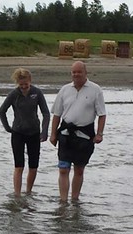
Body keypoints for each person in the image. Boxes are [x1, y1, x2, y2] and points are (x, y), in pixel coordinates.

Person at [49, 61, 106, 203]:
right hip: (65, 134)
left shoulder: (95, 90)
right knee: (63, 169)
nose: (76, 74)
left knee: (79, 170)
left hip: (84, 136)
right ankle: (63, 201)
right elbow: (56, 114)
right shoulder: (64, 90)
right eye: (73, 72)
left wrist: (99, 134)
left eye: (79, 72)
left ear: (85, 73)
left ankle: (74, 200)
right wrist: (53, 134)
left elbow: (102, 114)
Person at [0, 68, 50, 196]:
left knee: (33, 165)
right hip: (18, 133)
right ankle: (17, 194)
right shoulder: (14, 94)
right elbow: (2, 111)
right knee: (19, 165)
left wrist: (44, 131)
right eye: (21, 85)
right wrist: (7, 127)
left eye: (26, 84)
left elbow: (46, 113)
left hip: (34, 133)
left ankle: (28, 192)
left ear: (30, 81)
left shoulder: (37, 93)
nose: (23, 87)